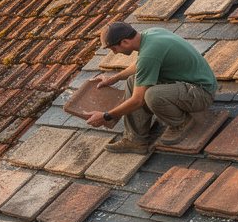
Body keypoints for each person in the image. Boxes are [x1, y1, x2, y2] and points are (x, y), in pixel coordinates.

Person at [87, 21, 219, 154]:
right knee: (134, 81)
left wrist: (106, 116)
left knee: (152, 95)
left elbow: (137, 101)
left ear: (125, 42)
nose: (115, 53)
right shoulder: (150, 34)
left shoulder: (149, 53)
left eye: (114, 49)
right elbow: (141, 65)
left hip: (201, 93)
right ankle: (135, 140)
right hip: (185, 84)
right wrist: (114, 78)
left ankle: (181, 123)